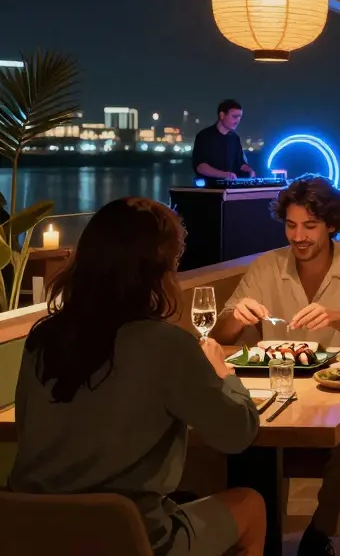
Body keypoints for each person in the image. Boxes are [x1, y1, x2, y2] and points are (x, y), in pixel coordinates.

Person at [10, 198, 265, 556]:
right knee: (250, 505)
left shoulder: (42, 338)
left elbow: (27, 426)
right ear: (157, 272)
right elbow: (237, 434)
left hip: (30, 534)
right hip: (128, 538)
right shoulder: (166, 344)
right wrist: (225, 376)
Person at [209, 175, 340, 556]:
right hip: (275, 392)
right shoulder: (267, 266)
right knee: (239, 427)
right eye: (291, 225)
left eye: (309, 226)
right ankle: (260, 537)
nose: (299, 236)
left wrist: (338, 317)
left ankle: (320, 533)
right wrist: (238, 317)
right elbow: (220, 333)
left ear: (331, 224)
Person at [192, 99, 255, 180]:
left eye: (240, 117)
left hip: (231, 185)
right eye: (234, 117)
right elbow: (200, 167)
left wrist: (250, 170)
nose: (237, 121)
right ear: (222, 115)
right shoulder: (204, 136)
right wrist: (224, 175)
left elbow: (240, 164)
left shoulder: (235, 138)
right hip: (210, 186)